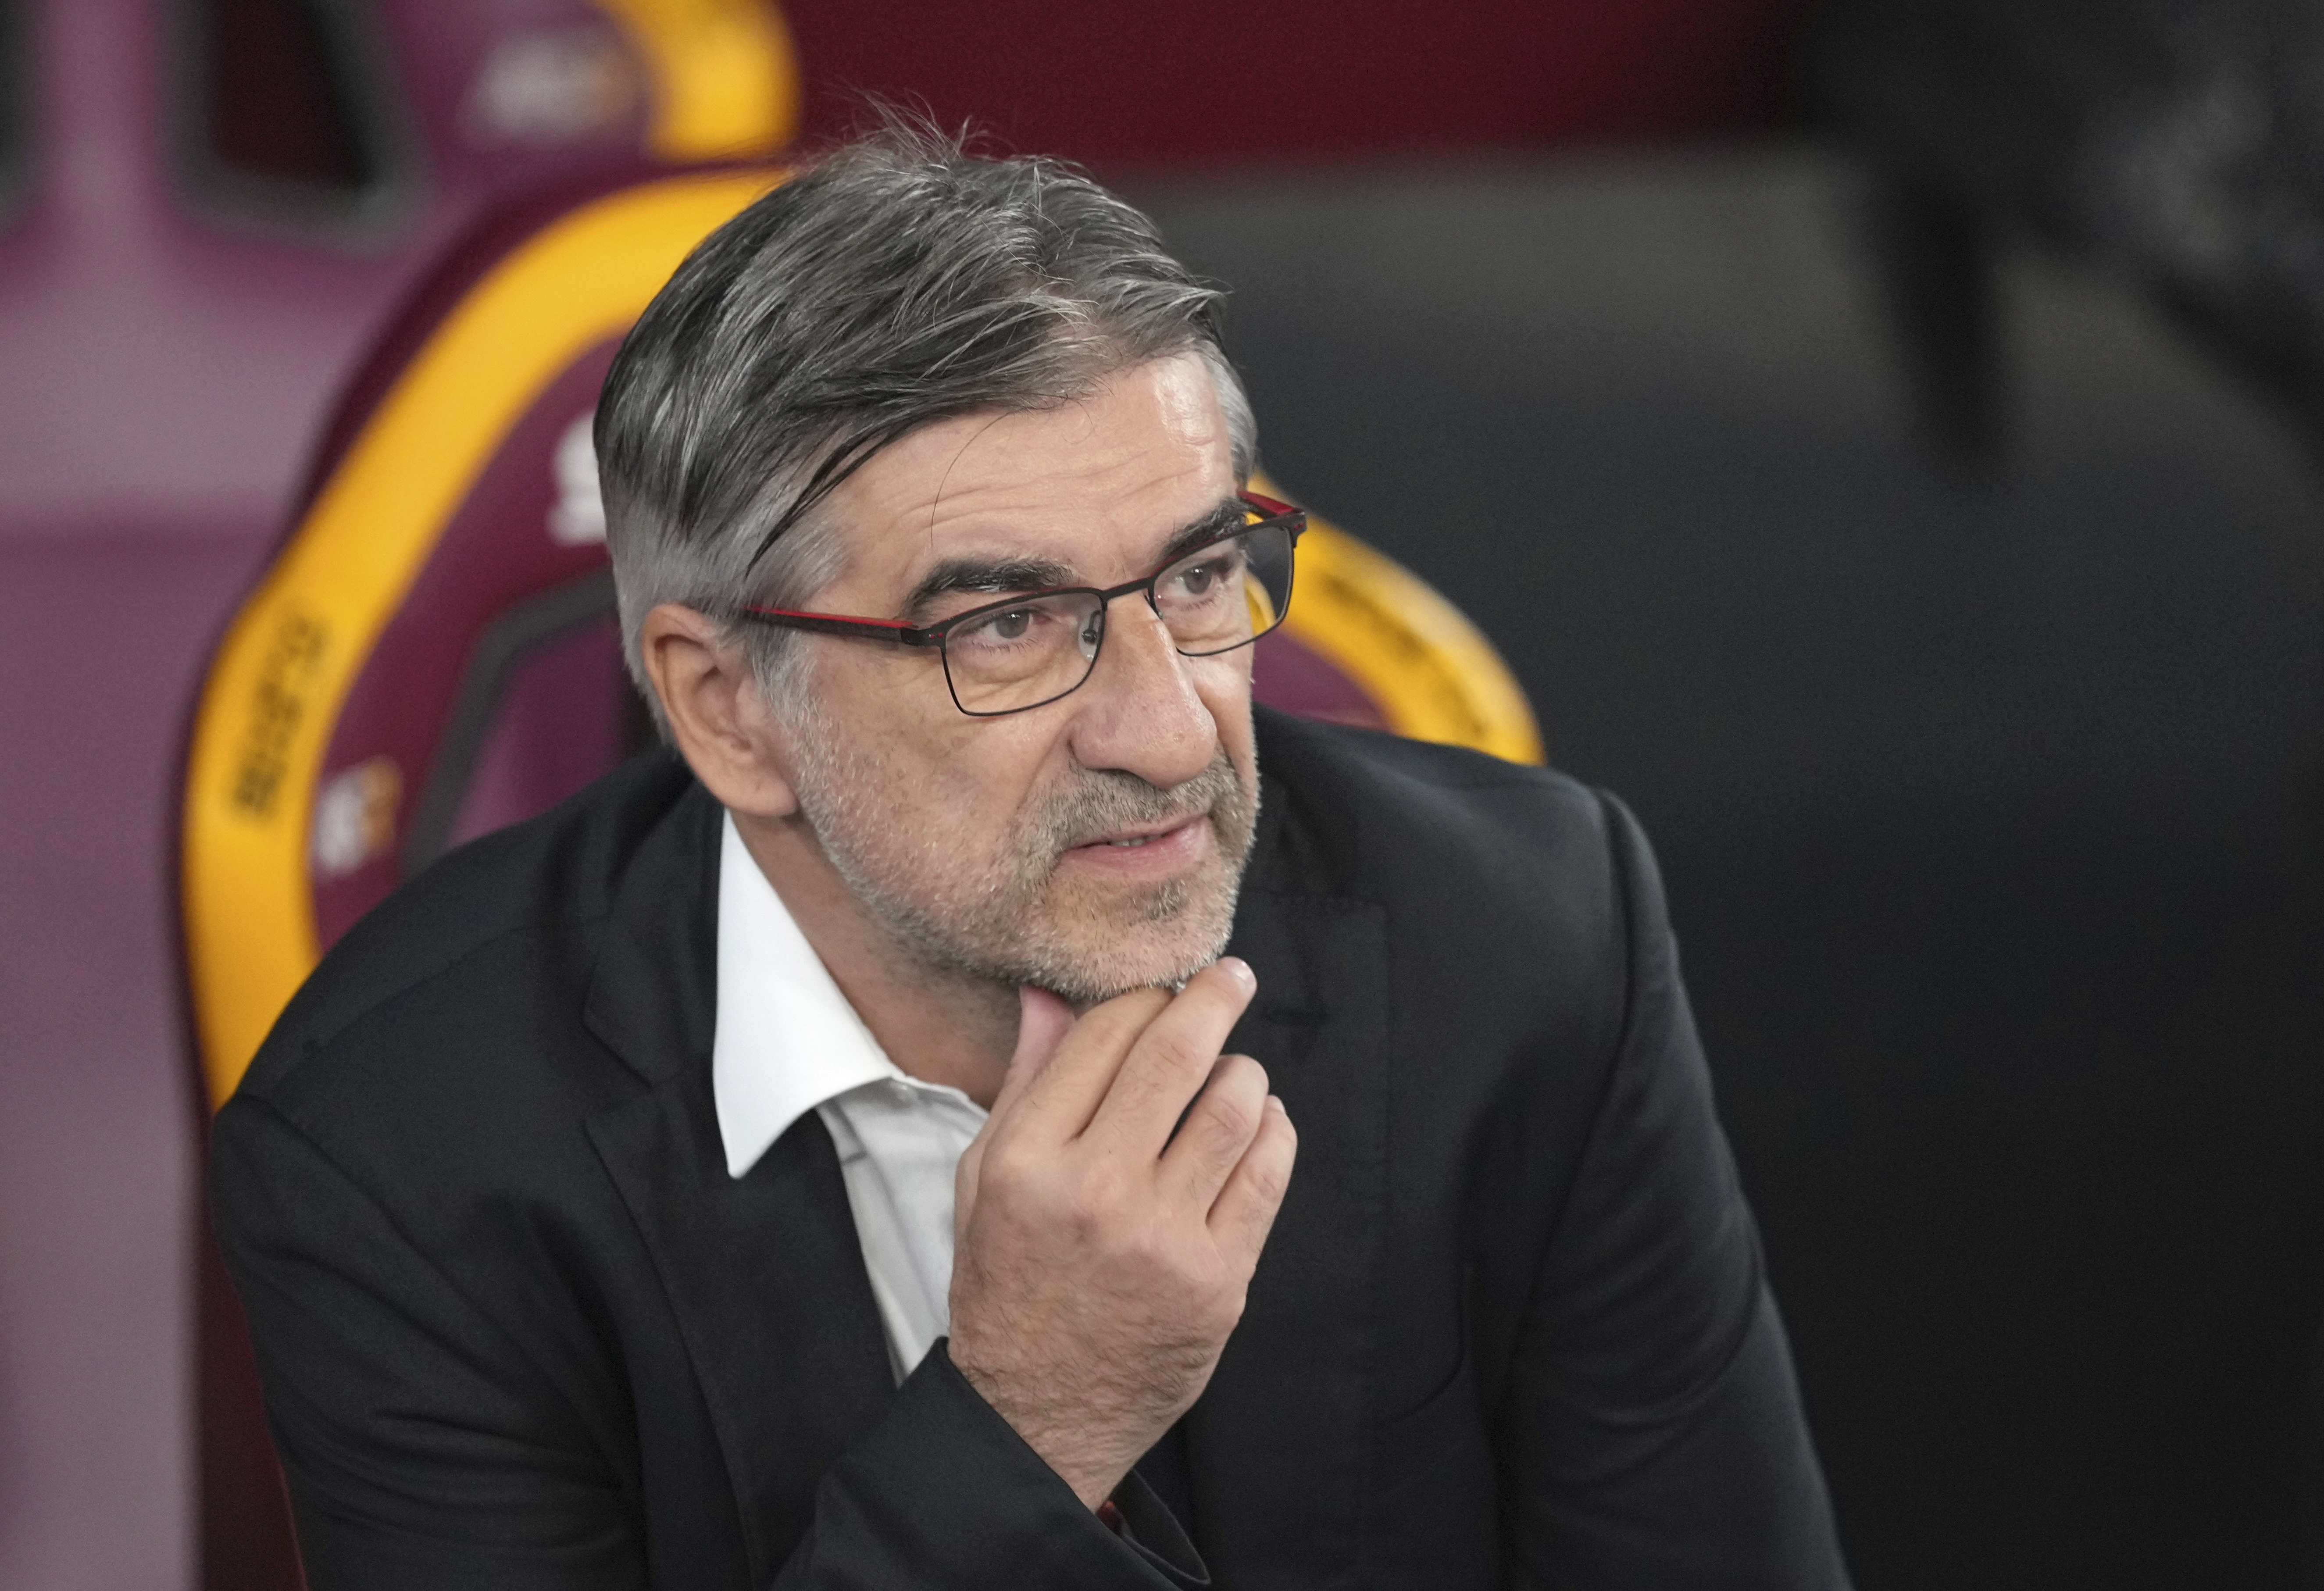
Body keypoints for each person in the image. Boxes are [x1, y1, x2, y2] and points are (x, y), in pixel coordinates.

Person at [211, 122, 1849, 1590]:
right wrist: (1026, 1424)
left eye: (1199, 575)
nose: (1170, 729)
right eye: (1004, 623)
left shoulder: (1533, 938)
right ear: (727, 713)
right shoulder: (400, 1143)